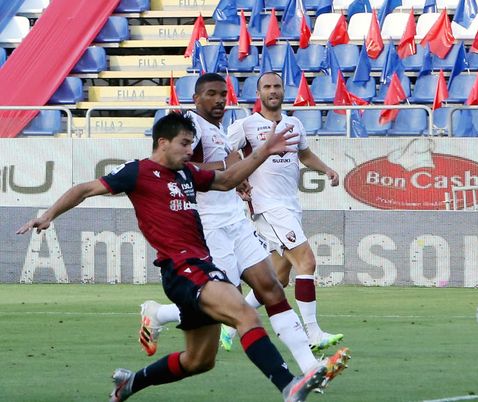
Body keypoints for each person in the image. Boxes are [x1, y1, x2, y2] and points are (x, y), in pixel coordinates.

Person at [16, 112, 325, 402]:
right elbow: (84, 189)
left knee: (199, 361)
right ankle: (288, 385)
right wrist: (48, 215)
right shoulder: (138, 172)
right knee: (245, 313)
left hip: (198, 266)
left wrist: (264, 151)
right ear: (163, 142)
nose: (191, 151)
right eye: (185, 143)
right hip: (181, 268)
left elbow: (228, 180)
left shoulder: (188, 173)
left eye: (192, 143)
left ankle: (130, 383)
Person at [137, 73, 348, 387]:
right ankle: (160, 313)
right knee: (232, 300)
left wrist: (239, 183)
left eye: (223, 94)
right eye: (211, 94)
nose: (220, 100)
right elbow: (176, 167)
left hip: (237, 220)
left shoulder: (220, 129)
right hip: (210, 227)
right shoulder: (191, 128)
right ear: (196, 98)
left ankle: (310, 368)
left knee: (273, 287)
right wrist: (228, 169)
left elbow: (225, 169)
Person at [227, 71, 343, 352]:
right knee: (307, 262)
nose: (273, 91)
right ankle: (312, 333)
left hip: (290, 205)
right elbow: (225, 150)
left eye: (277, 86)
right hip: (267, 207)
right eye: (267, 87)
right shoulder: (246, 125)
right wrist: (237, 177)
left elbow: (303, 154)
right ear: (259, 94)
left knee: (278, 279)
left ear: (283, 91)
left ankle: (229, 325)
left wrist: (326, 168)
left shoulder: (294, 123)